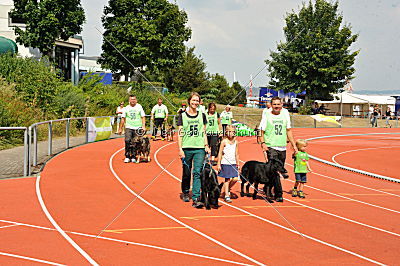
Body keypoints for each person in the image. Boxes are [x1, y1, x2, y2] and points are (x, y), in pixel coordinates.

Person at [259, 96, 298, 202]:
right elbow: (261, 131)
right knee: (275, 171)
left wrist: (294, 146)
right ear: (271, 105)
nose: (276, 106)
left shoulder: (285, 113)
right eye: (274, 104)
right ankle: (278, 194)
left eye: (278, 104)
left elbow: (288, 130)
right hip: (271, 146)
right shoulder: (266, 114)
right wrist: (263, 143)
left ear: (282, 105)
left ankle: (268, 188)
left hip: (282, 146)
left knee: (277, 171)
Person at [177, 92, 210, 208]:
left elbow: (204, 131)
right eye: (193, 100)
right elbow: (180, 133)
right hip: (186, 148)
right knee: (186, 172)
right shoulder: (182, 116)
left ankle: (196, 197)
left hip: (199, 148)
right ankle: (186, 191)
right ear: (189, 101)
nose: (195, 102)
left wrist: (206, 145)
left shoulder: (202, 115)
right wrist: (180, 149)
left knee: (197, 172)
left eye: (197, 100)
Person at [118, 95, 146, 163]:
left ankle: (133, 156)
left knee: (135, 142)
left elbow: (143, 117)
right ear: (129, 101)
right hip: (129, 127)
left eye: (134, 99)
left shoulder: (139, 107)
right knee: (127, 140)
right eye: (131, 99)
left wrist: (143, 126)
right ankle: (127, 156)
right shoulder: (126, 108)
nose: (133, 101)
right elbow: (123, 118)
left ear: (136, 100)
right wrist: (120, 128)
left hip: (137, 127)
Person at [217, 125, 239, 203]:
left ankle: (226, 189)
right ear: (226, 132)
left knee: (236, 179)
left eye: (232, 132)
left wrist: (238, 163)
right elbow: (220, 153)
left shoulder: (236, 142)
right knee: (227, 179)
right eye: (229, 131)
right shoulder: (224, 141)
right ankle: (226, 195)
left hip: (233, 162)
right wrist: (218, 163)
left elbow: (236, 153)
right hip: (225, 163)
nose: (231, 133)